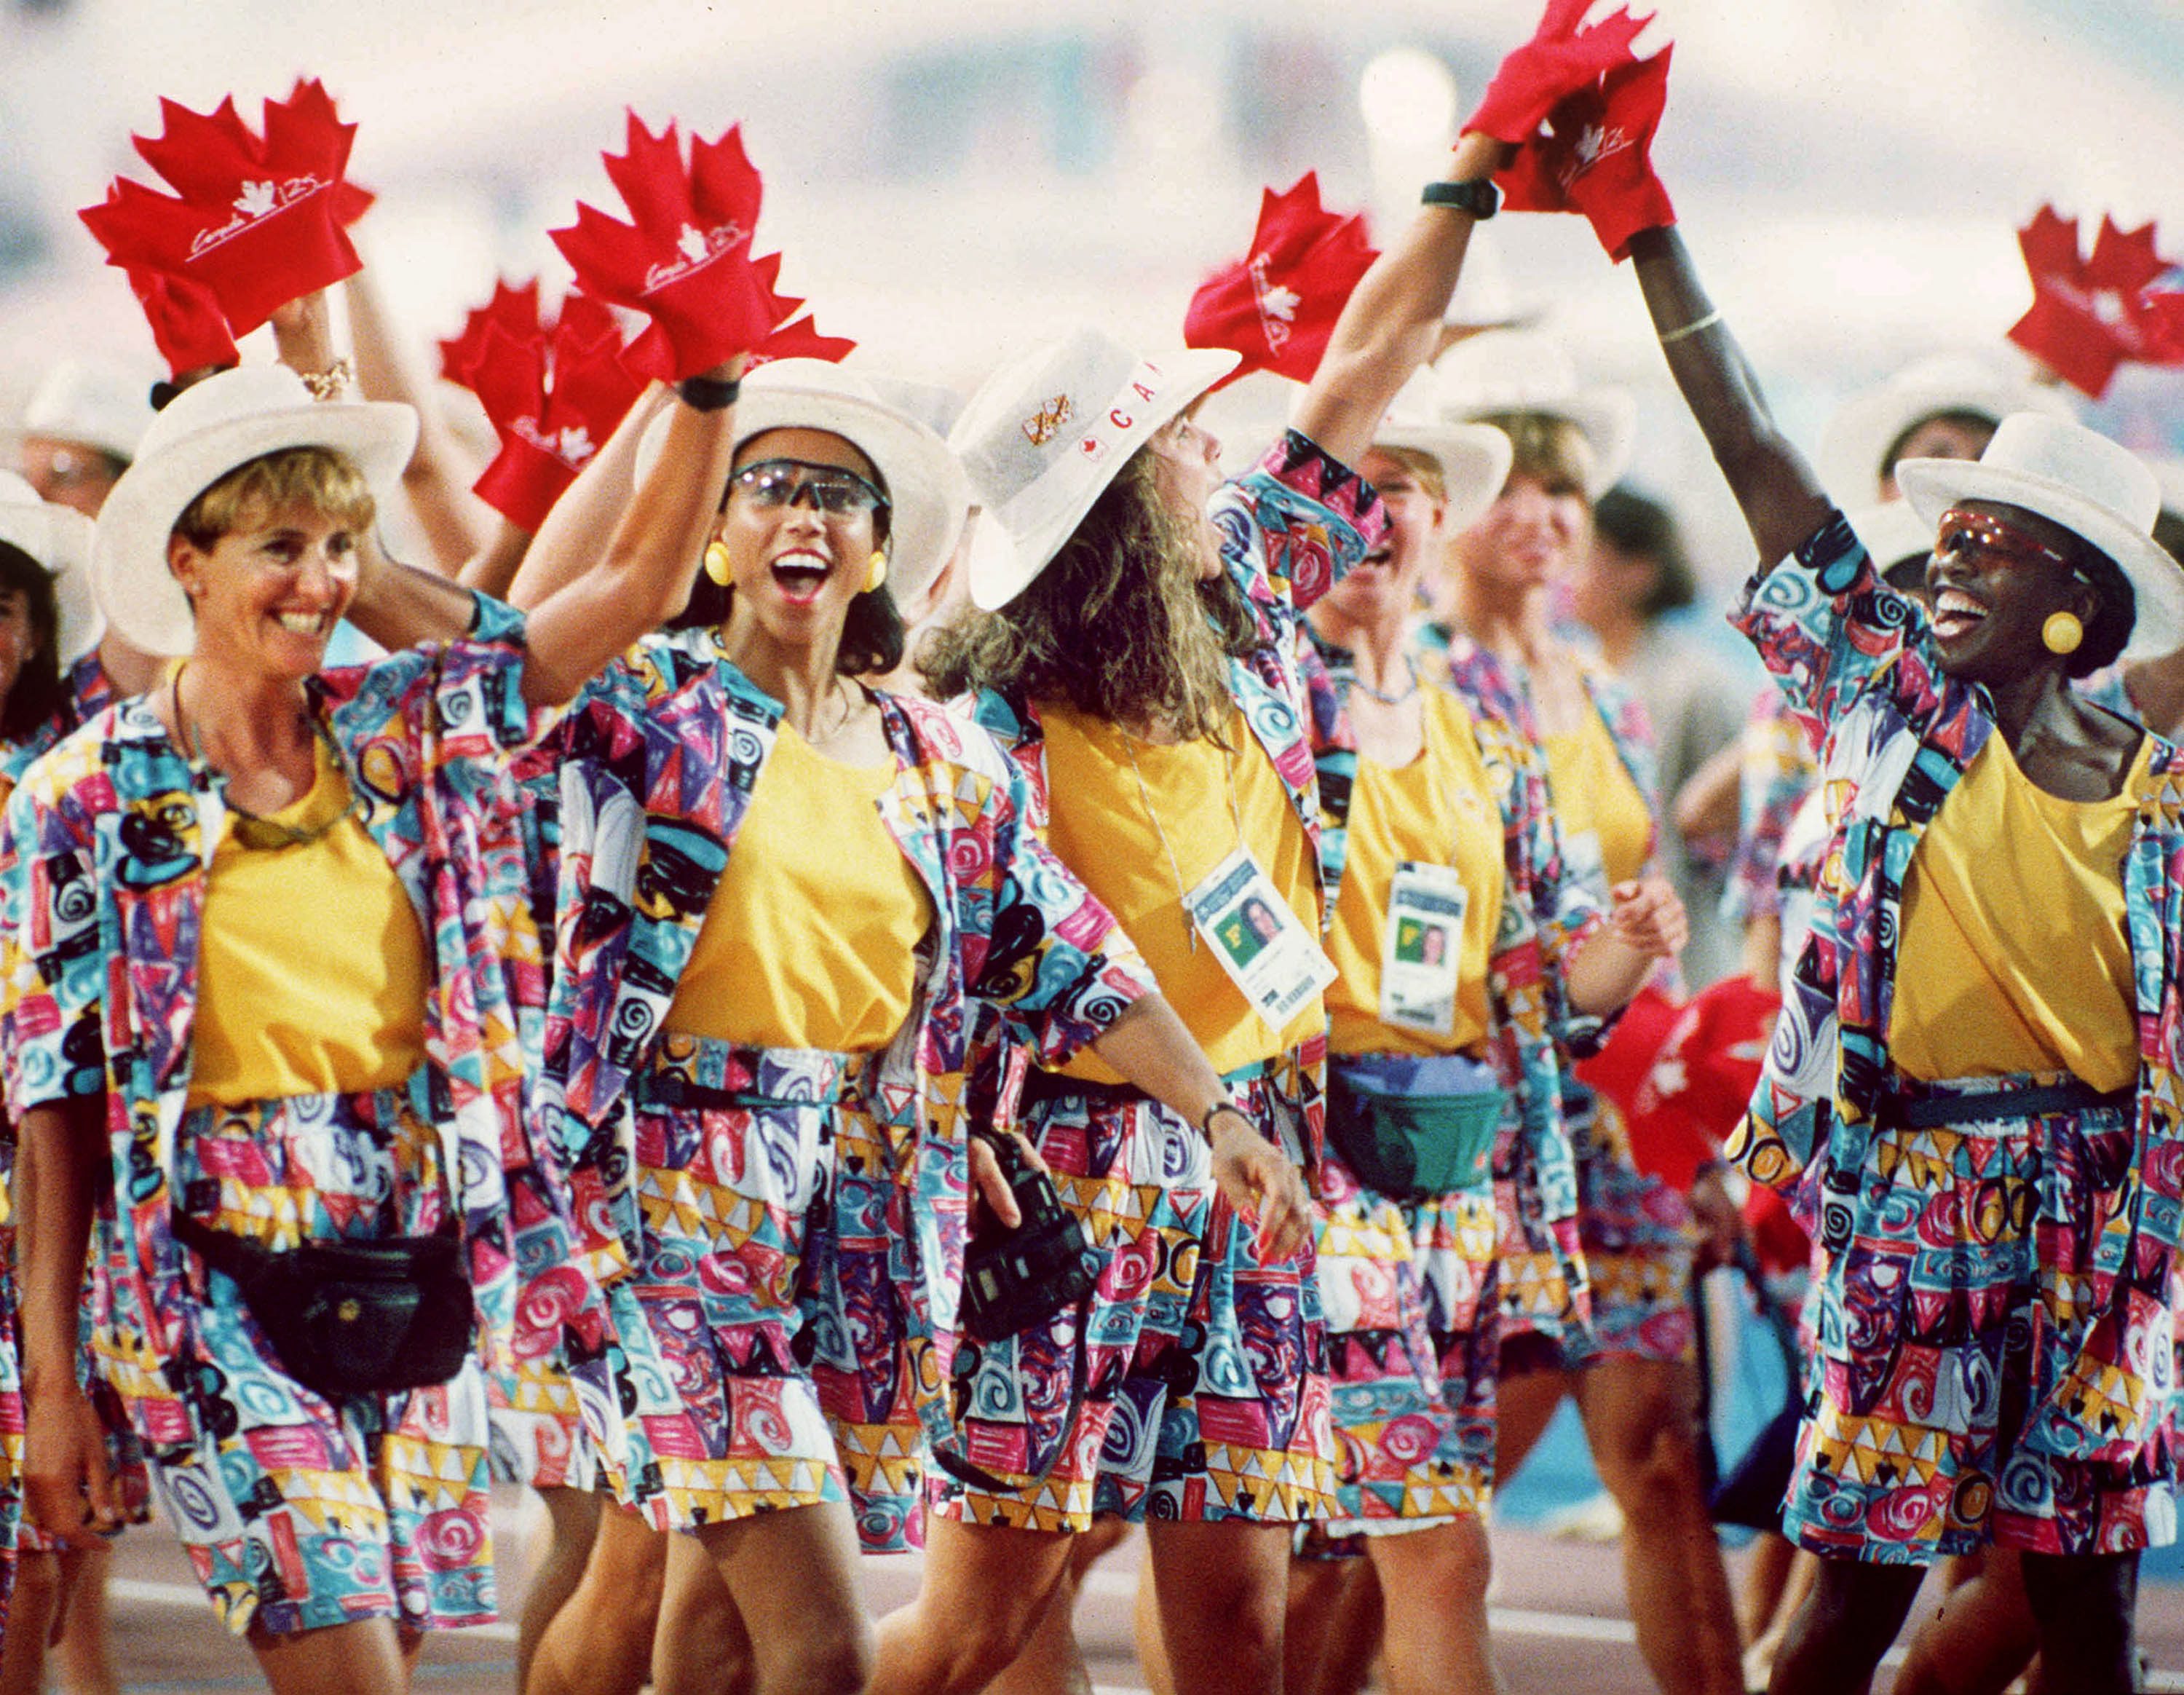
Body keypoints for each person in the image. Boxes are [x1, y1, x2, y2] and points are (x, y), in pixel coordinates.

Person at [489, 354, 1308, 1695]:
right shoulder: (647, 710)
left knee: (707, 1611)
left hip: (864, 1206)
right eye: (769, 488)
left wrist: (1218, 1112)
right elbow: (503, 641)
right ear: (715, 530)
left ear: (879, 551)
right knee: (815, 1645)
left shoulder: (938, 759)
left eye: (839, 497)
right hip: (674, 1203)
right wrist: (677, 395)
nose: (803, 516)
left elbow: (1074, 963)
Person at [877, 119, 1516, 1695]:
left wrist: (1475, 168)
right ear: (1111, 501)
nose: (1209, 451)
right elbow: (973, 968)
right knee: (978, 1626)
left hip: (1263, 1160)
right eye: (1173, 441)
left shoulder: (1240, 601)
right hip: (1075, 1175)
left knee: (1242, 1626)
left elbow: (1367, 364)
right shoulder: (996, 729)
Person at [0, 355, 731, 1691]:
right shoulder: (79, 795)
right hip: (205, 1287)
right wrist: (53, 1385)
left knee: (380, 1649)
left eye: (343, 546)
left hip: (417, 1268)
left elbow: (634, 592)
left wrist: (706, 387)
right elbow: (55, 1108)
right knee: (351, 1666)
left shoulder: (405, 729)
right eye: (281, 546)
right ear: (191, 562)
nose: (322, 582)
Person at [1622, 197, 2184, 1695]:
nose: (1944, 568)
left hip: (2103, 1224)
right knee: (1846, 1603)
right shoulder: (1890, 715)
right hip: (1918, 1194)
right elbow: (1760, 462)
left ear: (2082, 606)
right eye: (1944, 542)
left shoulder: (2166, 798)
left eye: (1990, 550)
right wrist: (1650, 235)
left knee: (2089, 1622)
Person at [1288, 398, 1685, 1695]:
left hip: (1461, 1173)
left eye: (1398, 489)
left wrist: (1624, 941)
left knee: (1400, 1551)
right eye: (1346, 485)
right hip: (1299, 1168)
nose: (1370, 512)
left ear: (1431, 521)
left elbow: (1552, 983)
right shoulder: (1260, 705)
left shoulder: (1492, 740)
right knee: (1364, 1552)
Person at [1428, 328, 1746, 1695]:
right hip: (1479, 1121)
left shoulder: (1605, 685)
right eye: (1510, 480)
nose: (1546, 513)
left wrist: (1702, 1136)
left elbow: (1649, 920)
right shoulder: (1423, 680)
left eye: (1562, 487)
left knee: (1663, 1454)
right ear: (1443, 508)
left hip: (1625, 1116)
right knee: (1430, 1492)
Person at [1570, 485, 1748, 987]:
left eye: (1585, 556)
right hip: (1601, 955)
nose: (1565, 575)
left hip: (1688, 960)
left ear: (1639, 571)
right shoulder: (1573, 674)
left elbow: (1729, 841)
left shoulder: (1695, 684)